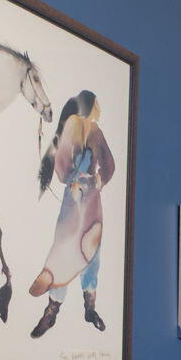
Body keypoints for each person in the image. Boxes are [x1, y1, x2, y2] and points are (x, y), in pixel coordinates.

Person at [29, 90, 113, 338]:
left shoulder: (96, 132)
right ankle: (52, 311)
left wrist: (99, 178)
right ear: (90, 105)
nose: (99, 107)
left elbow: (109, 164)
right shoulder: (73, 127)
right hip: (73, 199)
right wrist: (72, 180)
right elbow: (62, 164)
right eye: (97, 103)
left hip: (92, 202)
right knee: (64, 251)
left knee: (92, 253)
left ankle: (90, 309)